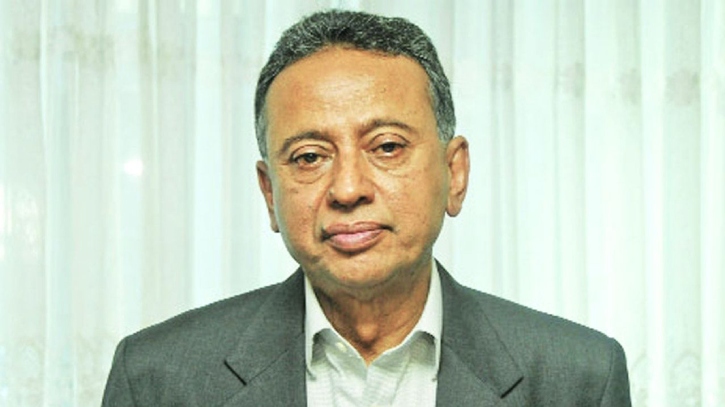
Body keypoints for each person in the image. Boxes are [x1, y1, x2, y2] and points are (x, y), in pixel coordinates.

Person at [102, 9, 631, 406]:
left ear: (455, 173)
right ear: (269, 194)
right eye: (309, 157)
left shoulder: (579, 378)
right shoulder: (156, 380)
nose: (348, 188)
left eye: (387, 147)